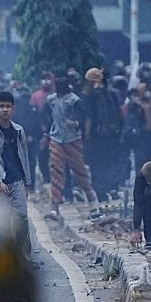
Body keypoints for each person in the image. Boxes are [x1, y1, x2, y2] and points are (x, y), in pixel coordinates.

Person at [0, 92, 36, 264]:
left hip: (17, 179)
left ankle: (24, 258)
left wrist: (27, 182)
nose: (5, 110)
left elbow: (24, 157)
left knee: (22, 218)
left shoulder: (18, 131)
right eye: (2, 106)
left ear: (13, 109)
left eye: (8, 106)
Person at [45, 75, 98, 211]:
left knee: (79, 171)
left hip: (72, 139)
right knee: (56, 171)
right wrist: (46, 135)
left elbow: (83, 117)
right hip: (56, 138)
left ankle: (92, 199)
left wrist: (75, 123)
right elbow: (49, 118)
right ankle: (54, 205)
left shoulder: (74, 100)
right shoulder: (51, 99)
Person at [84, 68, 124, 201]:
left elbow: (89, 118)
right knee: (111, 162)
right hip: (113, 135)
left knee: (97, 164)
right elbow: (120, 115)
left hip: (97, 137)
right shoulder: (113, 94)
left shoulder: (90, 96)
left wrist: (87, 136)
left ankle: (101, 193)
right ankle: (113, 188)